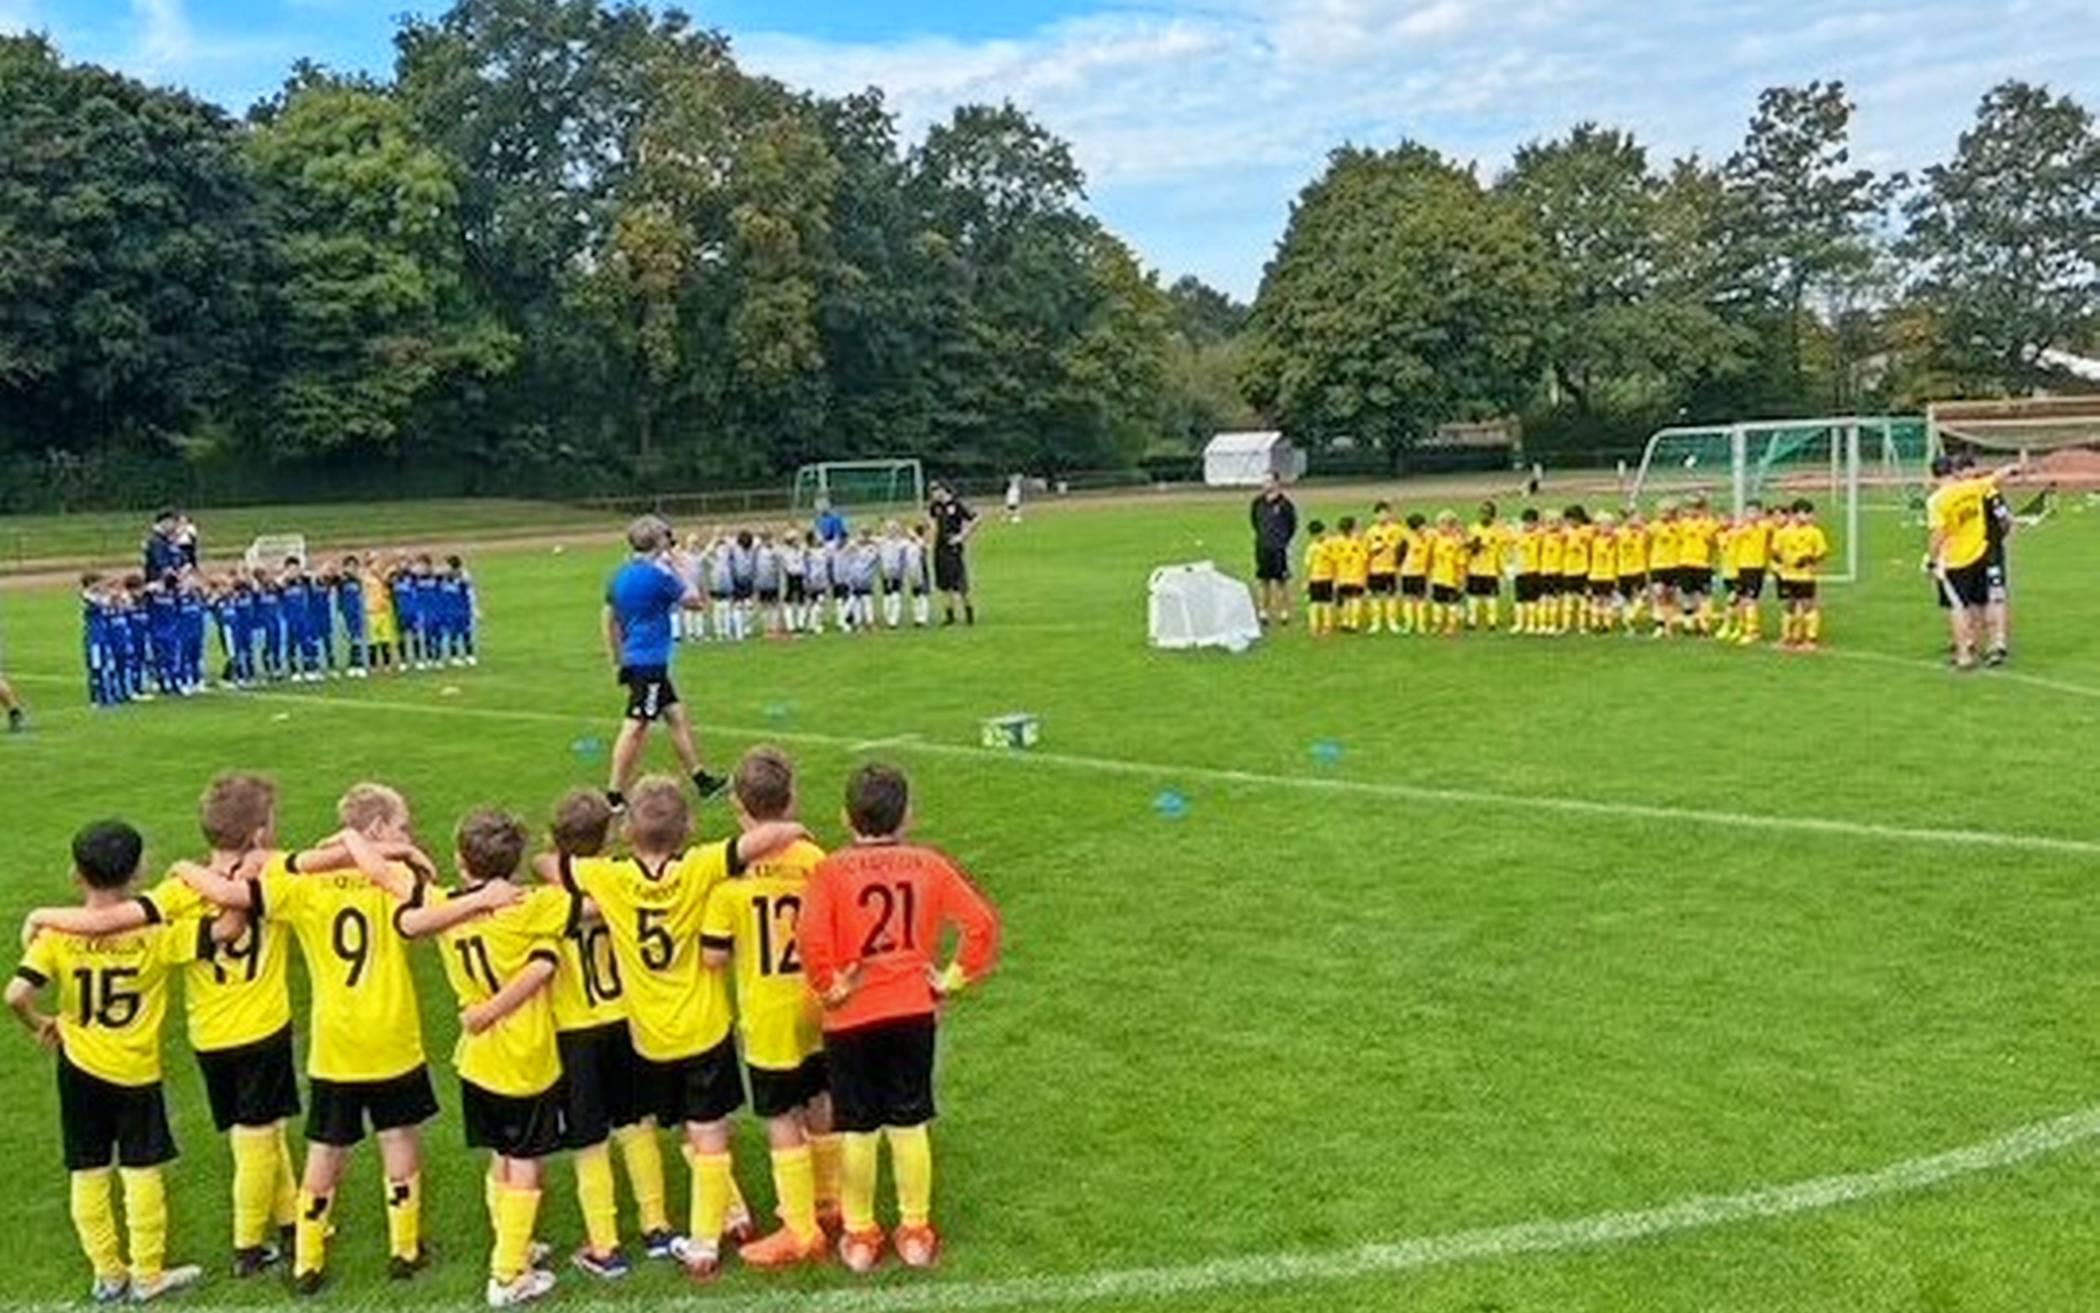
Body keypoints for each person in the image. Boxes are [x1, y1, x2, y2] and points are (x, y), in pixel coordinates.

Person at [171, 784, 517, 1293]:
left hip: (335, 1043)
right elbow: (422, 899)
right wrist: (398, 854)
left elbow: (239, 887)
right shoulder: (397, 877)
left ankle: (307, 1261)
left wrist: (183, 867)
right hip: (392, 1034)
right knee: (398, 1137)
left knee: (326, 1147)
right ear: (375, 831)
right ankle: (405, 1250)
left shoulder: (301, 883)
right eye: (401, 826)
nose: (409, 834)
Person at [25, 775, 308, 1278]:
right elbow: (233, 921)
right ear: (261, 832)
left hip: (209, 1034)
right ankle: (248, 1247)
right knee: (257, 1136)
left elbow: (111, 921)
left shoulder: (179, 889)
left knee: (265, 1133)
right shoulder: (277, 877)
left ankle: (290, 1222)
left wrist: (44, 915)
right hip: (263, 1027)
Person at [564, 778, 808, 1282]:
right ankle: (711, 1234)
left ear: (627, 829)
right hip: (706, 1027)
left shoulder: (608, 879)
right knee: (709, 1131)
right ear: (689, 828)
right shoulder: (700, 865)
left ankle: (725, 1217)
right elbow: (755, 842)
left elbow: (553, 866)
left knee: (685, 1128)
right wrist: (791, 827)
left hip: (651, 1037)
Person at [797, 763, 1002, 1274]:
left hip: (850, 1019)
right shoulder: (927, 864)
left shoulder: (829, 870)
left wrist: (831, 986)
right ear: (906, 815)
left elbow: (810, 939)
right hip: (912, 1010)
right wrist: (950, 979)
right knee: (909, 1121)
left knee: (859, 1128)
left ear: (845, 817)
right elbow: (981, 924)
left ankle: (861, 1235)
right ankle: (915, 1229)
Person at [8, 820, 220, 1304]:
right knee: (142, 1170)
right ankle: (148, 1274)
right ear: (138, 870)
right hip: (135, 1070)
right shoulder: (155, 933)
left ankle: (107, 1274)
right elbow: (224, 930)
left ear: (75, 874)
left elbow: (15, 994)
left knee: (88, 1168)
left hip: (79, 1065)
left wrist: (40, 1022)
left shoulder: (56, 934)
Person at [417, 809, 569, 1308]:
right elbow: (589, 906)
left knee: (502, 1154)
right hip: (525, 1058)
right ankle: (507, 1275)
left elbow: (409, 910)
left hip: (478, 1059)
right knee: (525, 1160)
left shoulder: (445, 907)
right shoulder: (531, 907)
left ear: (461, 862)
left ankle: (515, 1243)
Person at [700, 749, 836, 1268]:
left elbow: (713, 955)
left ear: (739, 807)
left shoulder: (730, 875)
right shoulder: (816, 860)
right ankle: (831, 1202)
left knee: (781, 1114)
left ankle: (799, 1228)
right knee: (821, 1095)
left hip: (768, 1012)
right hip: (819, 1002)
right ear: (792, 799)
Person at [532, 791, 672, 1275]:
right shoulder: (621, 885)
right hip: (623, 1020)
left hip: (575, 1031)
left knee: (589, 1137)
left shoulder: (547, 900)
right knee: (637, 1124)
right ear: (610, 836)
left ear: (555, 839)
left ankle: (605, 1244)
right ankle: (657, 1226)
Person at [603, 516, 724, 811]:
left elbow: (608, 618)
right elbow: (696, 602)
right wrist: (684, 567)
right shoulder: (659, 577)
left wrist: (617, 656)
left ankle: (701, 779)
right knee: (635, 727)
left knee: (676, 717)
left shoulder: (620, 575)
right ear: (659, 541)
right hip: (651, 661)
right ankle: (614, 794)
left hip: (636, 656)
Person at [1926, 456, 1992, 670]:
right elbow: (1994, 480)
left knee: (1957, 607)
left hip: (1954, 560)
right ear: (1954, 472)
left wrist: (1932, 559)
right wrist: (2012, 469)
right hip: (1979, 552)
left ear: (1933, 475)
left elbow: (1938, 532)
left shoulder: (1937, 500)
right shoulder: (1971, 487)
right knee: (1978, 603)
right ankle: (1978, 643)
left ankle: (1963, 654)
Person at [1773, 499, 1830, 651]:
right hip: (1787, 576)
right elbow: (1775, 552)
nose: (1809, 517)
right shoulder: (1783, 532)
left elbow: (1822, 552)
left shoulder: (1815, 532)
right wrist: (1785, 562)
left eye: (1810, 514)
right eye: (1806, 513)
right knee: (1789, 605)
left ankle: (1811, 639)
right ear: (1795, 514)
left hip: (1806, 576)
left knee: (1808, 605)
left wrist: (1809, 559)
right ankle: (1787, 637)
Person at [1248, 475, 1297, 627]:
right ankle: (1263, 612)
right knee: (1263, 580)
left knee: (1281, 581)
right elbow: (1255, 522)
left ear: (1276, 483)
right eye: (1263, 481)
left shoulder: (1285, 504)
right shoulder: (1257, 503)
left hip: (1279, 548)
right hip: (1262, 547)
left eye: (1268, 481)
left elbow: (1292, 525)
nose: (1264, 484)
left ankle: (1284, 612)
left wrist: (1282, 541)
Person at [927, 482, 978, 626]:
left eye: (935, 490)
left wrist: (962, 536)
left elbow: (976, 519)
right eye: (931, 491)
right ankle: (949, 616)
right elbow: (933, 525)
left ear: (943, 489)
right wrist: (929, 541)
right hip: (939, 549)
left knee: (960, 584)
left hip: (953, 549)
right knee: (944, 584)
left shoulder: (957, 504)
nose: (933, 494)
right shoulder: (934, 506)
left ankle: (969, 613)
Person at [1363, 503, 1403, 635]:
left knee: (1391, 595)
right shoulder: (1371, 532)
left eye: (1385, 513)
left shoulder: (1397, 530)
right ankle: (1376, 622)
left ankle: (1392, 622)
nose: (1383, 516)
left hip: (1390, 568)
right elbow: (1365, 551)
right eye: (1380, 514)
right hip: (1375, 569)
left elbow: (1403, 546)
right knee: (1375, 596)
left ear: (1390, 514)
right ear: (1375, 515)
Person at [1301, 519, 1335, 635]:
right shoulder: (1325, 545)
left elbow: (1307, 565)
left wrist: (1306, 580)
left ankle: (1322, 626)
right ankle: (1318, 626)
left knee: (1321, 603)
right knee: (1320, 603)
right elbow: (1308, 566)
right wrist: (1306, 580)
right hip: (1320, 579)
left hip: (1323, 578)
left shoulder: (1313, 547)